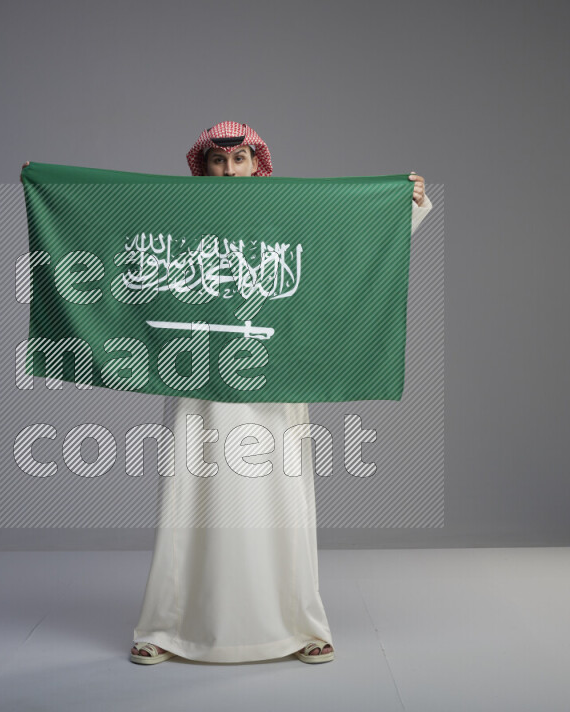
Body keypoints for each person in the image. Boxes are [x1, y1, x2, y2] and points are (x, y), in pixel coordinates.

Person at [128, 121, 432, 665]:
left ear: (257, 163)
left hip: (276, 374)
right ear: (203, 168)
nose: (229, 172)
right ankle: (166, 628)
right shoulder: (178, 218)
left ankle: (300, 625)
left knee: (280, 499)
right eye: (218, 163)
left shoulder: (290, 215)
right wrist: (52, 192)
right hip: (197, 377)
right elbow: (115, 236)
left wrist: (401, 206)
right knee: (188, 500)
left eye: (239, 160)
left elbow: (349, 250)